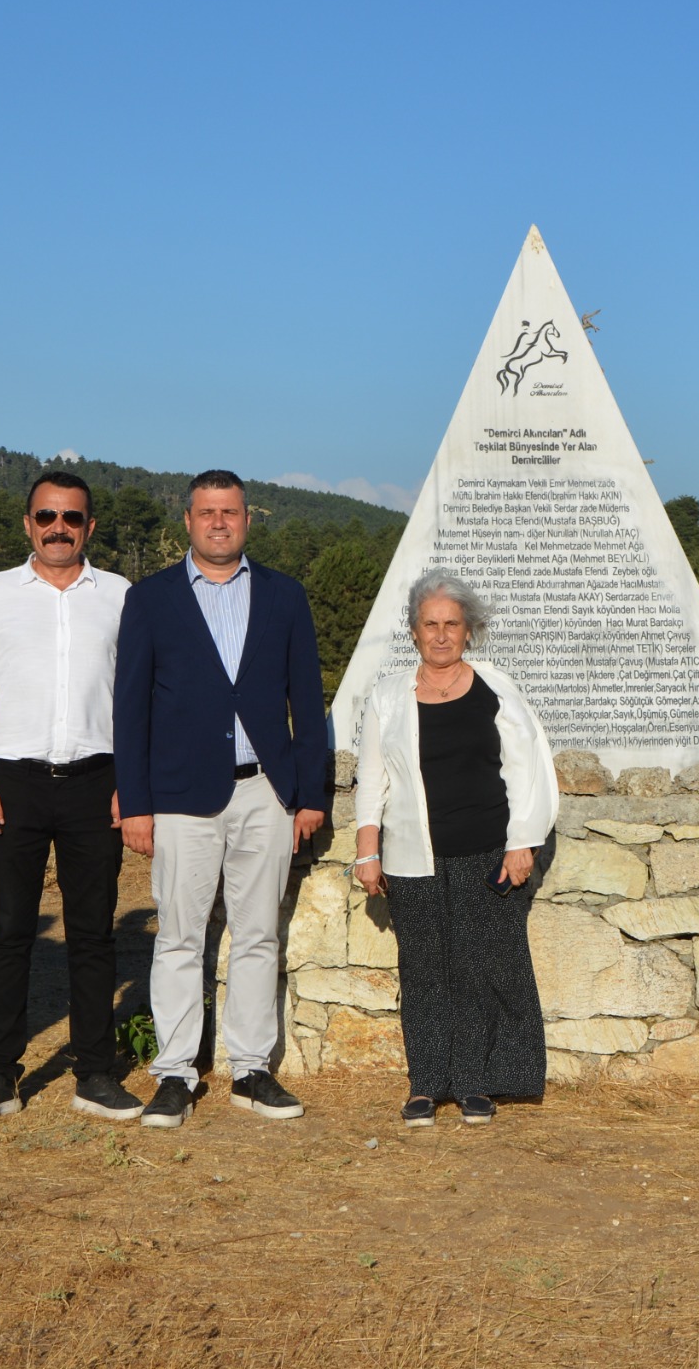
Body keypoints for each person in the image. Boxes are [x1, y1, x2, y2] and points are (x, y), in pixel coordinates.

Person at [113, 470, 330, 1128]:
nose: (218, 523)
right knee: (179, 934)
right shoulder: (151, 600)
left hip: (265, 790)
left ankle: (252, 1069)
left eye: (229, 512)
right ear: (187, 520)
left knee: (259, 932)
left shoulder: (284, 597)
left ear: (247, 520)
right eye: (206, 512)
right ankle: (176, 1073)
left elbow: (307, 701)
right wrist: (136, 801)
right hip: (180, 795)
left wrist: (310, 794)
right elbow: (129, 708)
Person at [0, 470, 140, 1124]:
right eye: (46, 517)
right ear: (27, 523)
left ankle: (95, 1075)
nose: (59, 528)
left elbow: (138, 699)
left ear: (91, 526)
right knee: (9, 934)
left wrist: (134, 787)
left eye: (72, 518)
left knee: (94, 936)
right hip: (12, 782)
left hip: (98, 781)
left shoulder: (118, 595)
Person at [352, 571, 558, 1129]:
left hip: (486, 852)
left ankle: (474, 1082)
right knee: (422, 971)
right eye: (430, 624)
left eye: (452, 624)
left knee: (480, 970)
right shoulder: (389, 695)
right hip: (411, 857)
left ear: (469, 631)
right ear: (414, 631)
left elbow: (529, 769)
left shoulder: (496, 687)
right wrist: (366, 850)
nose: (441, 635)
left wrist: (523, 844)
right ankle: (426, 1085)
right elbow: (371, 779)